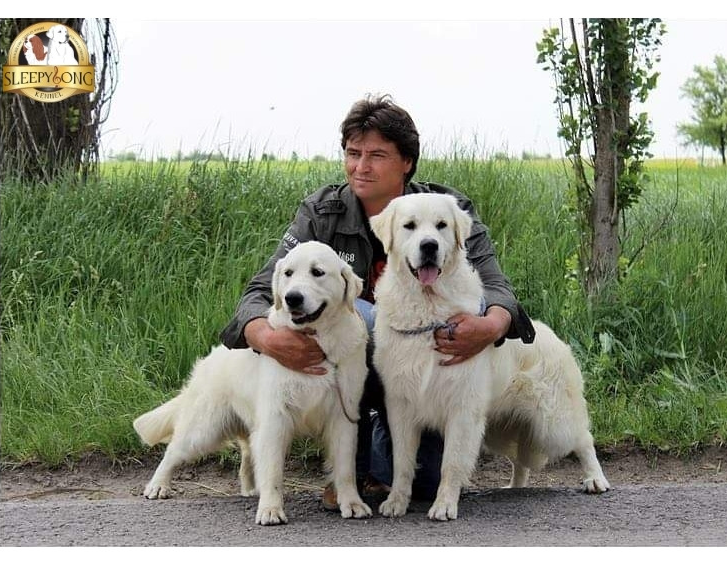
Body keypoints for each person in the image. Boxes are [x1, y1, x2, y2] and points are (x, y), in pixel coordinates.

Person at [219, 94, 536, 509]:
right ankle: (355, 466)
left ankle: (384, 461)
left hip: (422, 375)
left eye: (376, 155)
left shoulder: (445, 209)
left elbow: (496, 286)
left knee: (422, 488)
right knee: (367, 319)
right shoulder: (322, 213)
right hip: (351, 363)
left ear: (406, 161)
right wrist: (264, 336)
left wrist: (489, 326)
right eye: (353, 153)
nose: (361, 166)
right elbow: (261, 290)